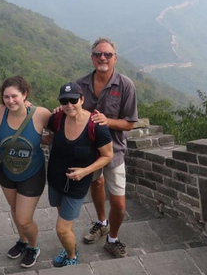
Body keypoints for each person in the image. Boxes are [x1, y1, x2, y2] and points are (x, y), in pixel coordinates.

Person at [78, 37, 138, 258]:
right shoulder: (80, 85)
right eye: (97, 54)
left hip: (114, 152)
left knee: (119, 204)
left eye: (107, 54)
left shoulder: (125, 85)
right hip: (89, 151)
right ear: (92, 58)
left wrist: (107, 121)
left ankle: (113, 238)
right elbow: (72, 112)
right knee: (96, 185)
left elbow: (130, 123)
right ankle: (101, 222)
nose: (102, 58)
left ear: (115, 58)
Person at [0, 76, 51, 268]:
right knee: (14, 210)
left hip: (32, 173)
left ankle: (33, 245)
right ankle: (22, 241)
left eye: (15, 96)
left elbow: (59, 131)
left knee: (24, 218)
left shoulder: (41, 114)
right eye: (6, 97)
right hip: (6, 172)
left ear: (25, 95)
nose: (10, 101)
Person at [47, 82, 113, 267]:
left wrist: (85, 172)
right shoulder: (57, 118)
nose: (69, 105)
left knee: (61, 229)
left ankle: (71, 256)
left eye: (73, 100)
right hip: (55, 179)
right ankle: (71, 246)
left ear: (82, 99)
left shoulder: (96, 125)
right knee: (65, 223)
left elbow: (108, 155)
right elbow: (46, 132)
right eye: (64, 101)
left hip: (77, 184)